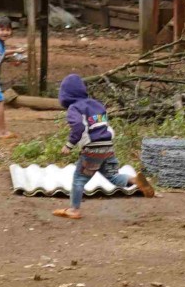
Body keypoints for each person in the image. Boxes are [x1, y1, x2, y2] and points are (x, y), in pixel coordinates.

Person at [51, 73, 154, 220]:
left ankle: (74, 209)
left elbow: (78, 127)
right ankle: (134, 181)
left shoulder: (74, 107)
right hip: (107, 146)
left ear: (65, 95)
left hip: (92, 149)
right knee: (112, 175)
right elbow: (103, 125)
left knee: (79, 179)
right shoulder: (97, 105)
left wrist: (69, 145)